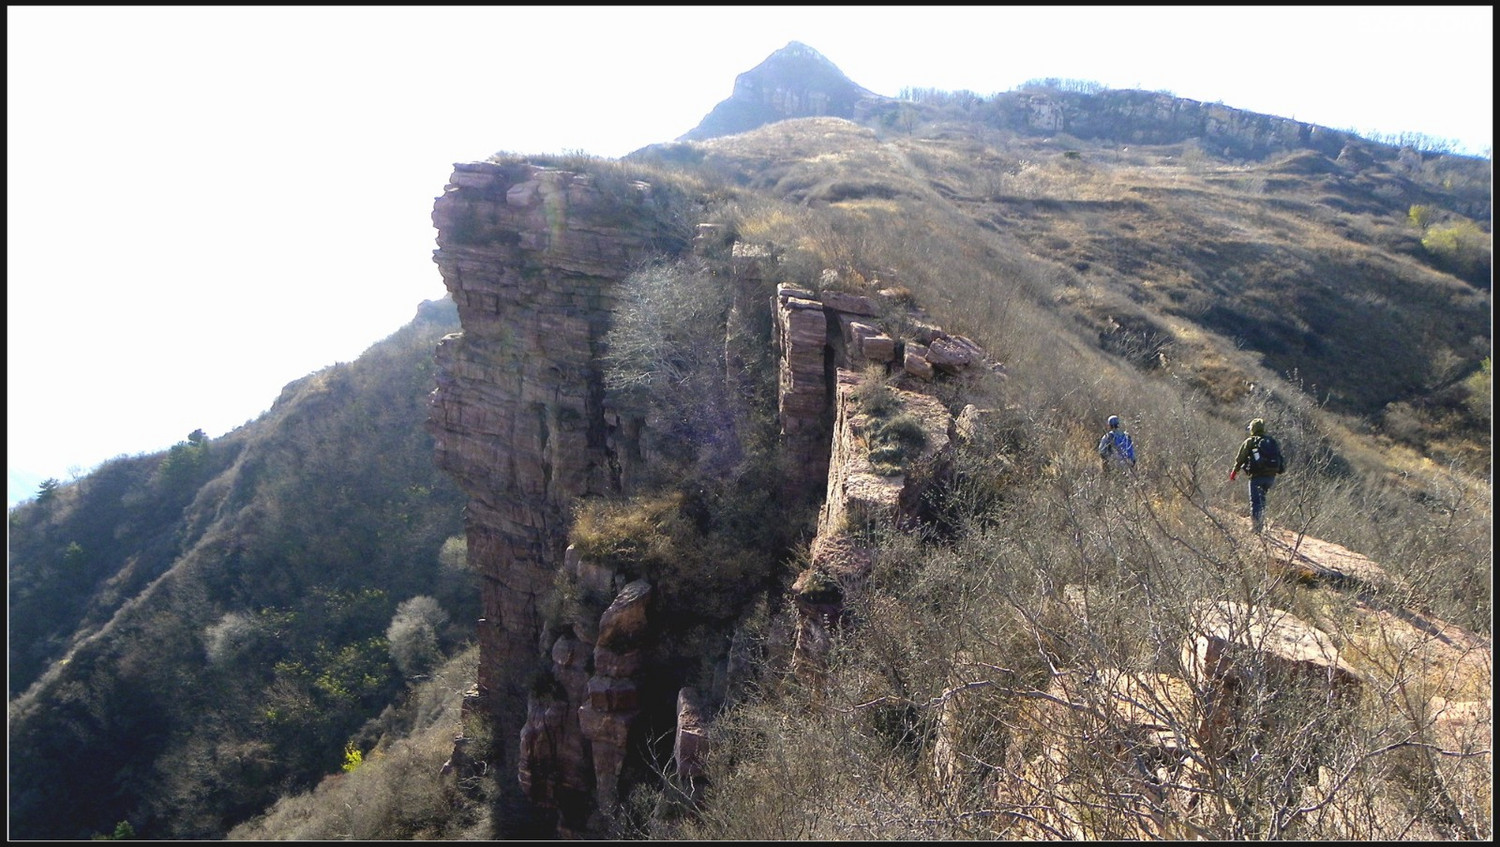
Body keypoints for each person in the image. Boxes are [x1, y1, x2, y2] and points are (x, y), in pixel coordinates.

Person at [1230, 418, 1278, 533]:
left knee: (1255, 501)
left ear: (1253, 429)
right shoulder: (1271, 441)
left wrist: (1234, 472)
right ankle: (1261, 524)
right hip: (1271, 477)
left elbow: (1240, 458)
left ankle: (1256, 528)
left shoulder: (1250, 442)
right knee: (1261, 499)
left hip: (1256, 477)